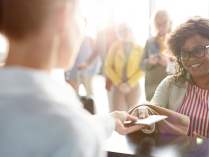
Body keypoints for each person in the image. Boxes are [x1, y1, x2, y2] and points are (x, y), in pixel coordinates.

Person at [0, 0, 144, 157]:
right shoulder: (72, 131)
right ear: (62, 16)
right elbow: (68, 131)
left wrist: (111, 119)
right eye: (80, 18)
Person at [133, 16, 209, 142]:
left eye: (198, 50)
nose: (191, 58)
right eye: (185, 53)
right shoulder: (169, 85)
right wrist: (144, 112)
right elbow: (153, 112)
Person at [105, 22, 145, 111]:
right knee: (117, 115)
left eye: (125, 29)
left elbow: (142, 69)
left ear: (130, 30)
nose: (124, 32)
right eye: (120, 31)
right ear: (118, 34)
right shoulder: (114, 47)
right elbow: (108, 67)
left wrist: (129, 84)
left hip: (133, 86)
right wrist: (119, 83)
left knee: (133, 115)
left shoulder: (140, 49)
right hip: (117, 86)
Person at [141, 10, 172, 101]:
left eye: (164, 23)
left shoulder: (176, 41)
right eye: (158, 24)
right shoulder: (150, 42)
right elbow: (142, 66)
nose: (161, 27)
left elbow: (183, 66)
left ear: (170, 22)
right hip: (152, 87)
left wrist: (169, 65)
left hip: (170, 86)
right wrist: (150, 62)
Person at [66, 17, 101, 95]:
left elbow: (97, 56)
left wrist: (94, 72)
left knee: (91, 99)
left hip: (87, 74)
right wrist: (66, 76)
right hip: (72, 75)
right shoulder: (70, 40)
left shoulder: (91, 40)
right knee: (74, 99)